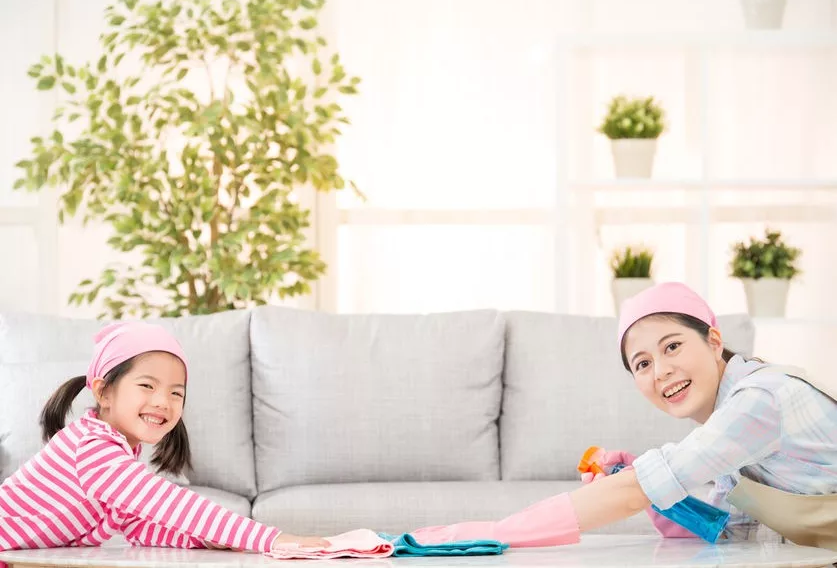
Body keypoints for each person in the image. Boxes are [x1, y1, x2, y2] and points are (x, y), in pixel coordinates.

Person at [408, 281, 837, 550]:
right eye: (643, 364)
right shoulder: (727, 427)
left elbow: (636, 492)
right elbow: (732, 534)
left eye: (672, 346)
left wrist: (498, 532)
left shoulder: (757, 401)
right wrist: (643, 485)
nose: (662, 370)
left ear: (713, 340)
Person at [0, 321, 329, 559]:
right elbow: (170, 504)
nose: (163, 402)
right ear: (103, 391)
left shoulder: (117, 453)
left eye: (176, 393)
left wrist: (205, 540)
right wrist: (273, 539)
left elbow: (140, 526)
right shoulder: (93, 449)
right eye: (147, 386)